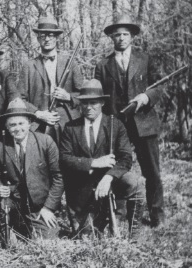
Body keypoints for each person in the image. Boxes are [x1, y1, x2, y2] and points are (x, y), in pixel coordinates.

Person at [94, 14, 165, 227]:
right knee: (117, 168)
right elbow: (99, 97)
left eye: (125, 34)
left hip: (145, 124)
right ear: (111, 38)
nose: (121, 38)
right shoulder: (103, 65)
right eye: (117, 35)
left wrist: (147, 97)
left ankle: (156, 215)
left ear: (132, 36)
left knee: (152, 171)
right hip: (117, 126)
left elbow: (160, 85)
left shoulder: (145, 59)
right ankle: (120, 213)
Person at [59, 79, 144, 237]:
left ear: (102, 102)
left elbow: (126, 157)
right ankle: (94, 223)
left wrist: (109, 177)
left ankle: (134, 236)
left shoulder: (115, 125)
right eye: (84, 103)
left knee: (136, 182)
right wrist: (94, 163)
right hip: (82, 191)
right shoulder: (70, 128)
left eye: (93, 103)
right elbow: (64, 158)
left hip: (109, 184)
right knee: (86, 236)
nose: (89, 107)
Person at [0, 98, 64, 243]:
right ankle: (6, 228)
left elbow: (59, 178)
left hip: (38, 207)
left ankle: (30, 226)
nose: (17, 128)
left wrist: (48, 208)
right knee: (7, 242)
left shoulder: (45, 142)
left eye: (21, 123)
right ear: (7, 127)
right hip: (12, 203)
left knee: (46, 241)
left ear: (29, 123)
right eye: (12, 125)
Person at [19, 15, 84, 144]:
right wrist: (38, 113)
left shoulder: (70, 63)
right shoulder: (29, 66)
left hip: (69, 123)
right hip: (39, 125)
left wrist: (68, 97)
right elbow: (20, 99)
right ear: (38, 38)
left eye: (51, 35)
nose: (47, 39)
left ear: (56, 38)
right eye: (43, 36)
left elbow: (83, 95)